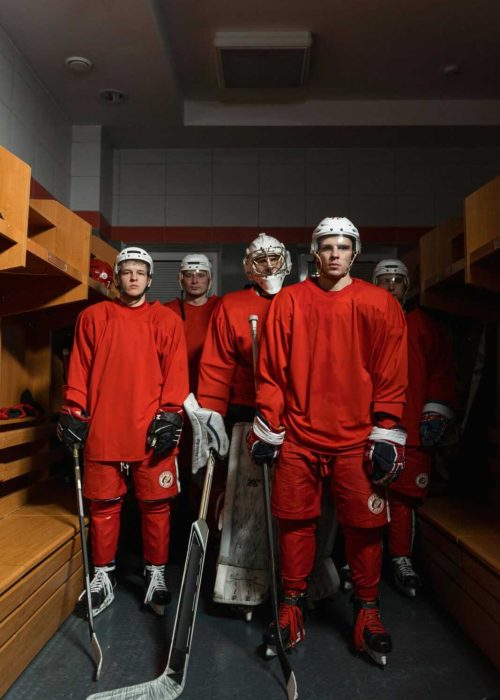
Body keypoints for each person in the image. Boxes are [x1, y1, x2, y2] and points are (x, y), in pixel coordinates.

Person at [249, 217, 408, 666]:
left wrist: (387, 428)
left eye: (343, 247)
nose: (334, 254)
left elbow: (391, 374)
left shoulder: (379, 304)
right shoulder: (290, 302)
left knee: (364, 526)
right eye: (327, 247)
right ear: (313, 253)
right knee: (294, 522)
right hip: (300, 434)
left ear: (354, 253)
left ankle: (369, 609)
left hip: (357, 438)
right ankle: (292, 606)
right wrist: (268, 423)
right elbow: (272, 373)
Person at [57, 246, 189, 617]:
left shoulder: (166, 321)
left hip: (150, 429)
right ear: (117, 278)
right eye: (127, 271)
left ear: (149, 278)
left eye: (140, 272)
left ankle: (155, 571)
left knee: (156, 505)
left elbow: (176, 372)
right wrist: (73, 411)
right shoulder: (93, 316)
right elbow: (79, 370)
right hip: (104, 427)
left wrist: (171, 413)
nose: (133, 277)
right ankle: (103, 575)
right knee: (103, 506)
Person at [372, 259, 455, 598]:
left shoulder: (424, 325)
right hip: (371, 426)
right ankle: (363, 560)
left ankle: (401, 558)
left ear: (406, 286)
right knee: (367, 496)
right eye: (384, 280)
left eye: (396, 281)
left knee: (404, 499)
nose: (390, 286)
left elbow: (440, 370)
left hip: (410, 427)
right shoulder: (366, 321)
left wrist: (436, 409)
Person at [164, 254, 221, 538]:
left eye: (201, 273)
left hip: (211, 399)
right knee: (178, 465)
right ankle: (175, 535)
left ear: (210, 279)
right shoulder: (167, 311)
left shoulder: (222, 308)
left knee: (211, 470)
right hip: (177, 399)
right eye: (189, 273)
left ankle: (209, 534)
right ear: (180, 279)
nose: (195, 278)